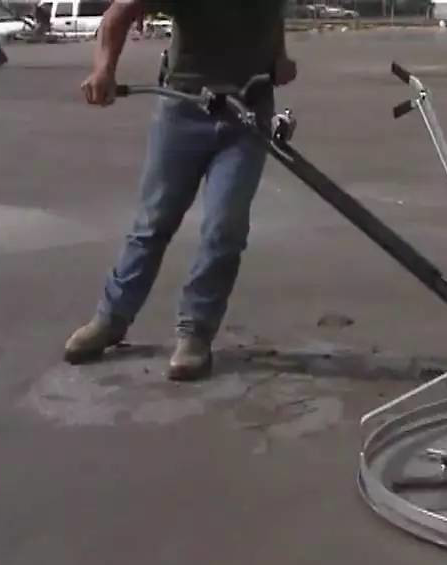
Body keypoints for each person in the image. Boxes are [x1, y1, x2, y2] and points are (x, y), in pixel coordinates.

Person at [65, 0, 297, 381]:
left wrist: (280, 57)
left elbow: (273, 15)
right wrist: (103, 70)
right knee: (153, 222)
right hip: (184, 108)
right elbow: (118, 14)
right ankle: (111, 319)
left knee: (225, 228)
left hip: (248, 113)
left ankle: (195, 332)